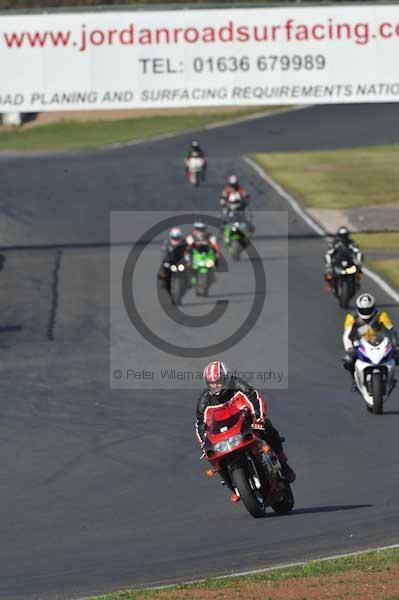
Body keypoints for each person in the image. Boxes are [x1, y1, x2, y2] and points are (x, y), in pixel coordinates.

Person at [195, 361, 296, 502]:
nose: (216, 386)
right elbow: (201, 424)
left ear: (227, 378)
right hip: (225, 436)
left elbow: (255, 399)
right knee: (212, 456)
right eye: (212, 383)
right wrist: (204, 443)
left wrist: (258, 420)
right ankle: (235, 487)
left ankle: (283, 463)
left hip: (246, 426)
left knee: (268, 426)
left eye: (218, 381)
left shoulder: (238, 386)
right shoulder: (205, 400)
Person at [342, 293, 399, 386]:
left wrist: (396, 345)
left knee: (397, 356)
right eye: (363, 310)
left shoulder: (381, 315)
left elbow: (391, 331)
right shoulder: (351, 317)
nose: (366, 312)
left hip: (379, 343)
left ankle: (391, 378)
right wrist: (349, 348)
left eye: (368, 309)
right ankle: (355, 379)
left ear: (373, 307)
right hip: (360, 345)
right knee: (348, 360)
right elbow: (347, 335)